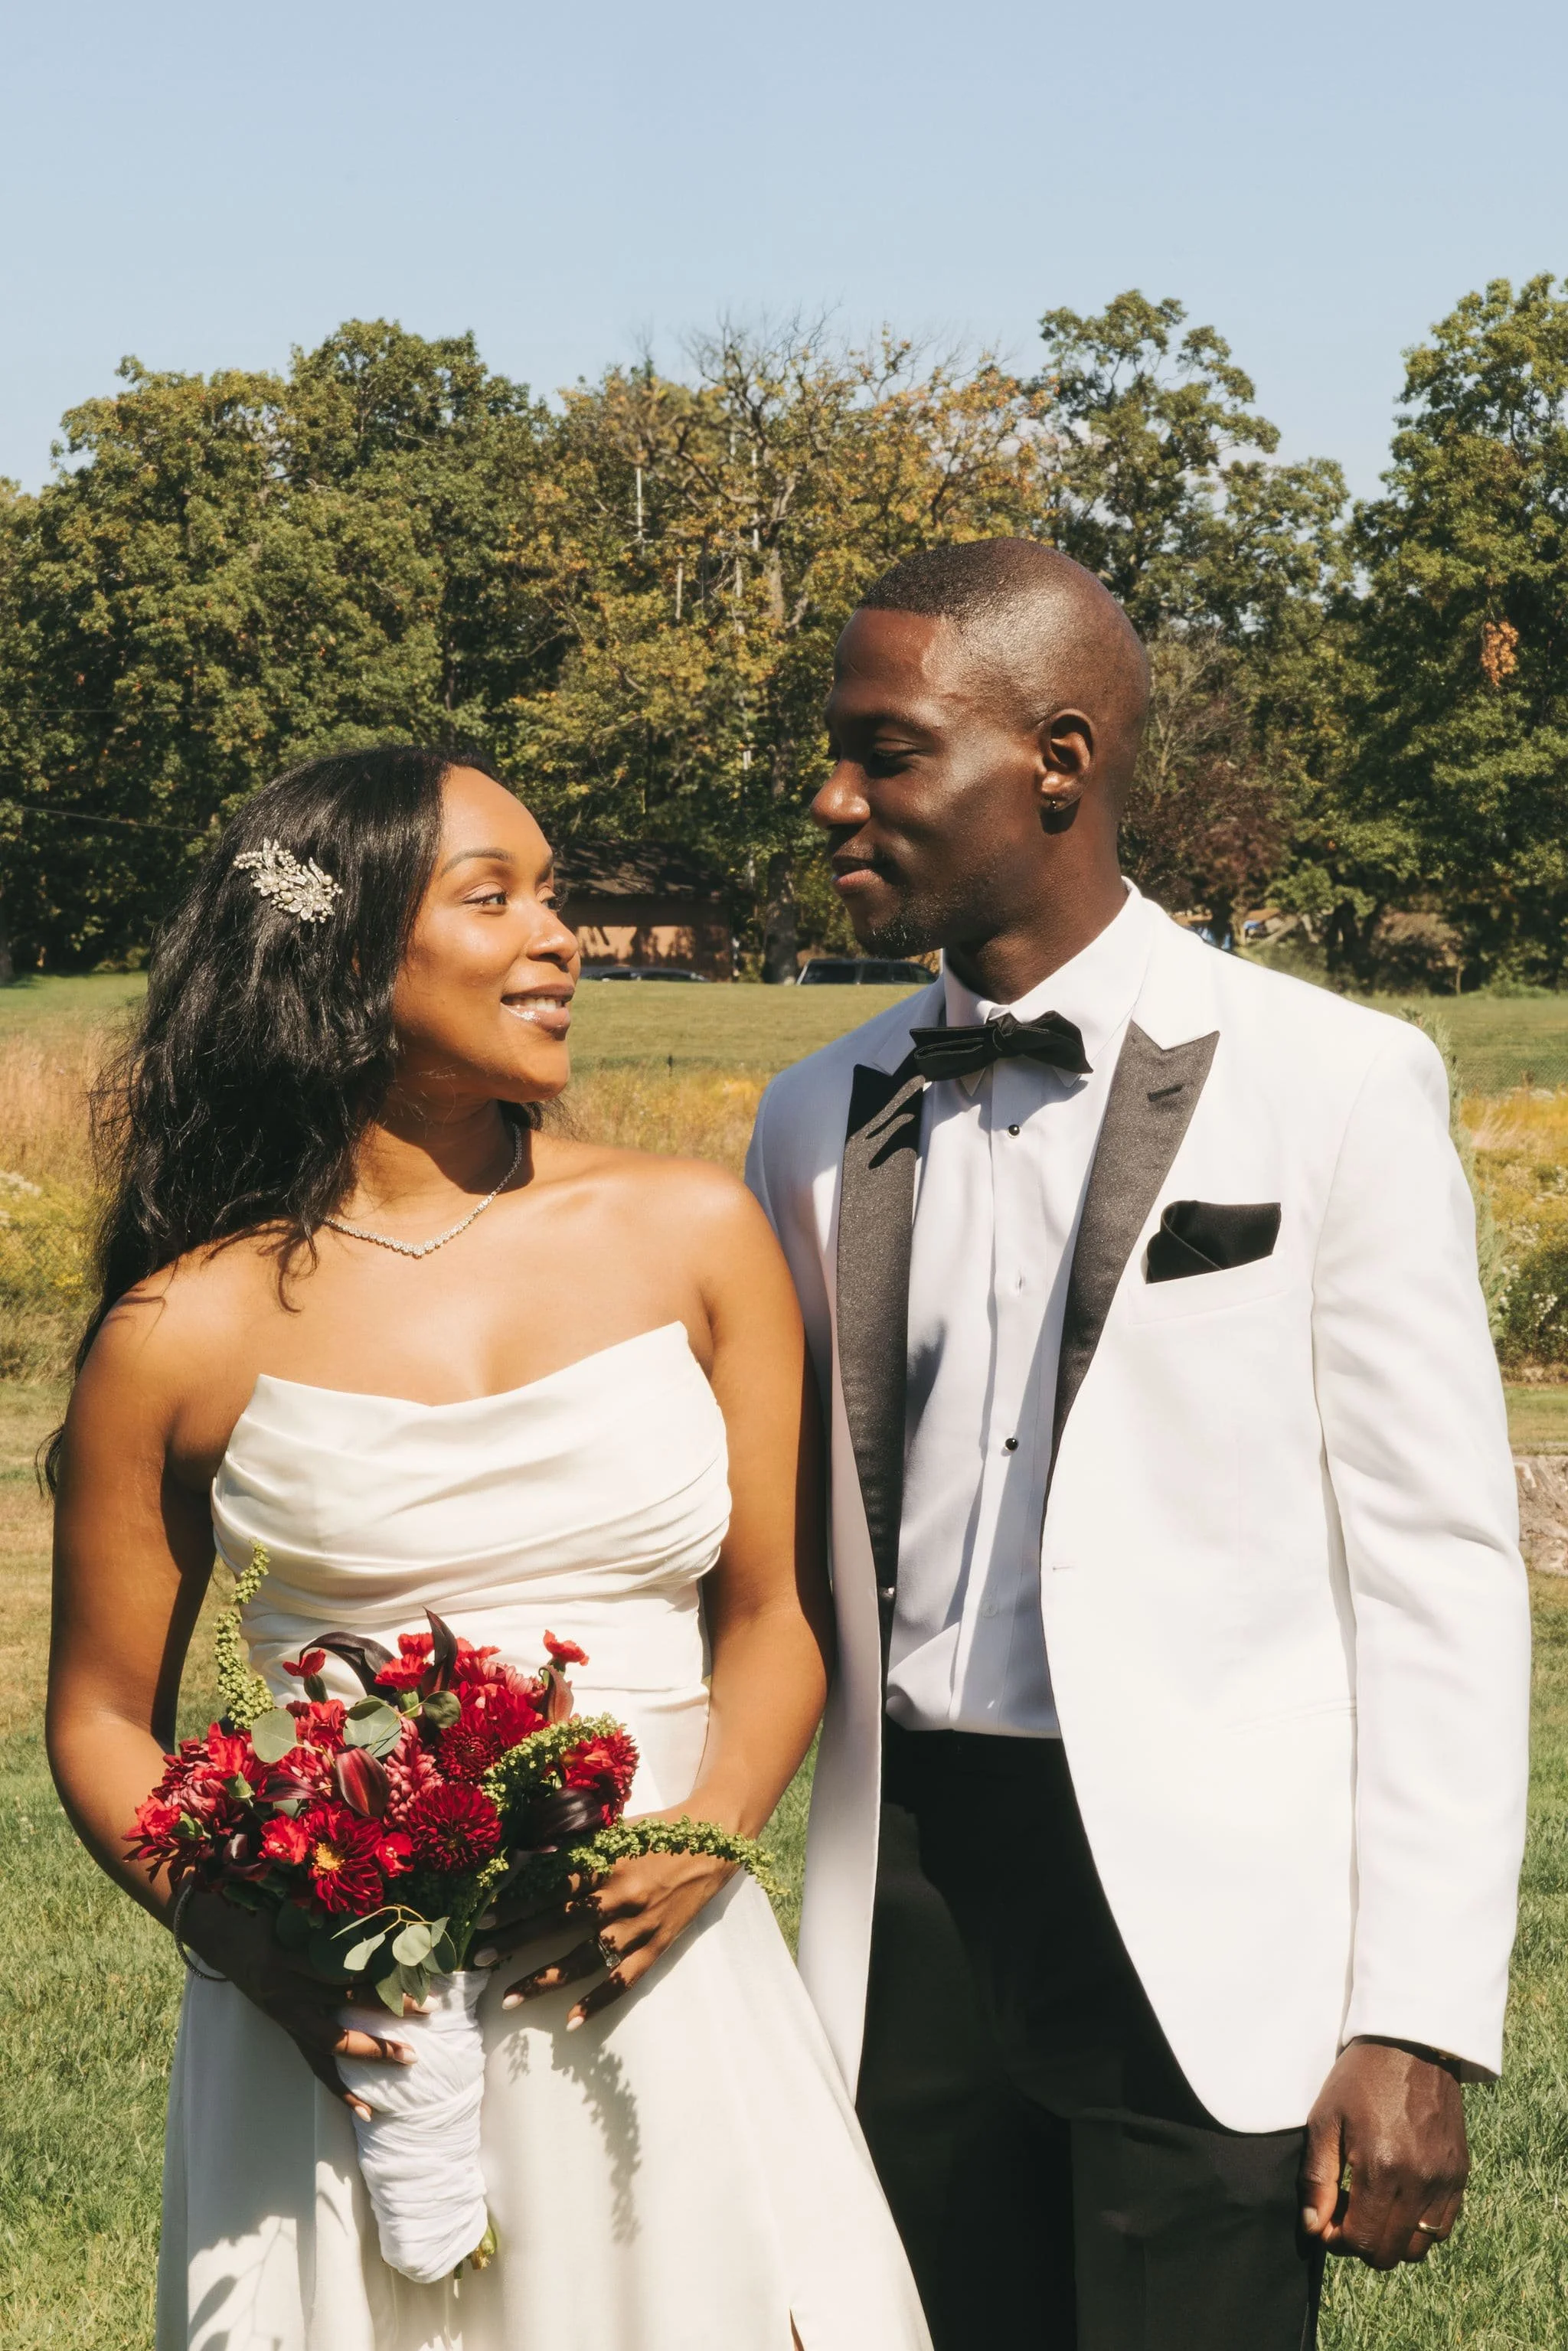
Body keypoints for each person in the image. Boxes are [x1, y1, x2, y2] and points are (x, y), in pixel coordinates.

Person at [745, 540, 1531, 2351]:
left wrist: (1409, 2013)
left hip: (1205, 1923)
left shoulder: (1335, 1081)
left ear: (1059, 760)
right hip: (908, 1898)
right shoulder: (809, 1117)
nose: (831, 793)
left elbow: (1438, 1574)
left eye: (886, 749)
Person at [47, 746, 931, 2351]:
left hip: (657, 1973)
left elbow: (776, 1618)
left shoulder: (692, 1235)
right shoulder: (179, 1329)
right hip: (345, 2022)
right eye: (495, 896)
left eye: (558, 893)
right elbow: (103, 1716)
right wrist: (267, 1953)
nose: (560, 935)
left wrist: (708, 1835)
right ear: (349, 955)